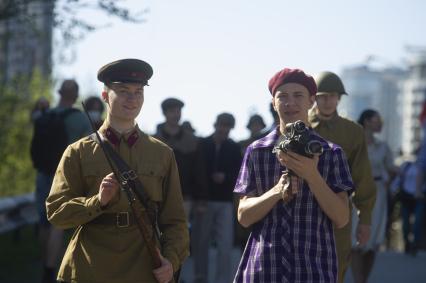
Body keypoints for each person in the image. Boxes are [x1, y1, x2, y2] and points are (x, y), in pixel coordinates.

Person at [46, 59, 189, 283]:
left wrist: (170, 261)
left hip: (143, 266)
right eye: (123, 91)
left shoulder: (162, 154)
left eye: (138, 92)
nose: (132, 99)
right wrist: (97, 201)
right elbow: (56, 213)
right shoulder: (78, 152)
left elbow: (175, 222)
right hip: (89, 267)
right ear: (105, 96)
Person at [234, 68, 354, 283]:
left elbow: (341, 218)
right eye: (283, 96)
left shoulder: (331, 153)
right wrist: (276, 192)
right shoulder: (257, 151)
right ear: (273, 103)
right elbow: (244, 217)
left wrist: (312, 175)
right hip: (264, 269)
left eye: (298, 96)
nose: (290, 103)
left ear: (311, 101)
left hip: (313, 269)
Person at [308, 71, 376, 283]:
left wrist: (364, 220)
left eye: (333, 96)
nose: (328, 101)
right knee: (302, 268)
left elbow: (362, 177)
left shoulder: (353, 132)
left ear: (339, 98)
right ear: (314, 98)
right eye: (323, 96)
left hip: (339, 213)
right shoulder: (300, 127)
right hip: (304, 210)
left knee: (336, 267)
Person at [32, 79, 90, 283]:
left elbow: (34, 120)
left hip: (42, 173)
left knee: (43, 221)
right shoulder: (80, 119)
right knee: (57, 222)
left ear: (59, 93)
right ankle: (50, 269)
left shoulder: (44, 115)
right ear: (75, 96)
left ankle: (44, 261)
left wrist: (39, 105)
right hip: (65, 175)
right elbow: (89, 148)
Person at [192, 112, 242, 283]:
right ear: (216, 125)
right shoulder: (203, 144)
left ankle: (223, 280)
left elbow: (239, 174)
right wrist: (199, 199)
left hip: (225, 201)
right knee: (201, 242)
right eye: (222, 125)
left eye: (227, 127)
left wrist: (226, 177)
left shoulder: (234, 148)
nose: (224, 129)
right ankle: (200, 277)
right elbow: (196, 172)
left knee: (225, 244)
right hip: (205, 201)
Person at [350, 109, 396, 283]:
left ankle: (364, 280)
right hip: (356, 192)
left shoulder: (383, 146)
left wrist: (388, 181)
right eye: (377, 119)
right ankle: (358, 280)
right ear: (367, 121)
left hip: (378, 194)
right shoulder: (354, 142)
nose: (380, 123)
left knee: (372, 243)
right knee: (356, 241)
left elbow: (391, 168)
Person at [154, 97, 203, 217]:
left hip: (185, 196)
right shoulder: (153, 141)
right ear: (164, 113)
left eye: (178, 111)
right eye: (172, 111)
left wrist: (201, 199)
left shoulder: (192, 140)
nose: (176, 115)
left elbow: (199, 171)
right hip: (158, 196)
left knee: (182, 232)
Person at [390, 152, 425, 256]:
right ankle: (407, 243)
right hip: (406, 197)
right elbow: (399, 180)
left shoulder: (423, 167)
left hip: (420, 198)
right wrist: (393, 189)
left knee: (417, 222)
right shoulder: (406, 166)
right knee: (405, 222)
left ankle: (415, 244)